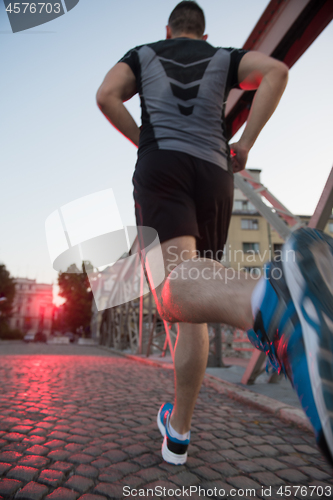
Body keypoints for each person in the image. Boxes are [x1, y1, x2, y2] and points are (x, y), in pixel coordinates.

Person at [96, 1, 333, 466]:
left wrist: (143, 138)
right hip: (215, 171)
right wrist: (245, 143)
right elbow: (277, 72)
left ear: (169, 29)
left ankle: (273, 297)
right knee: (198, 293)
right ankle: (178, 432)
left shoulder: (143, 53)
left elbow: (106, 95)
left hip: (163, 164)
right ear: (203, 35)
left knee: (171, 291)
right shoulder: (223, 57)